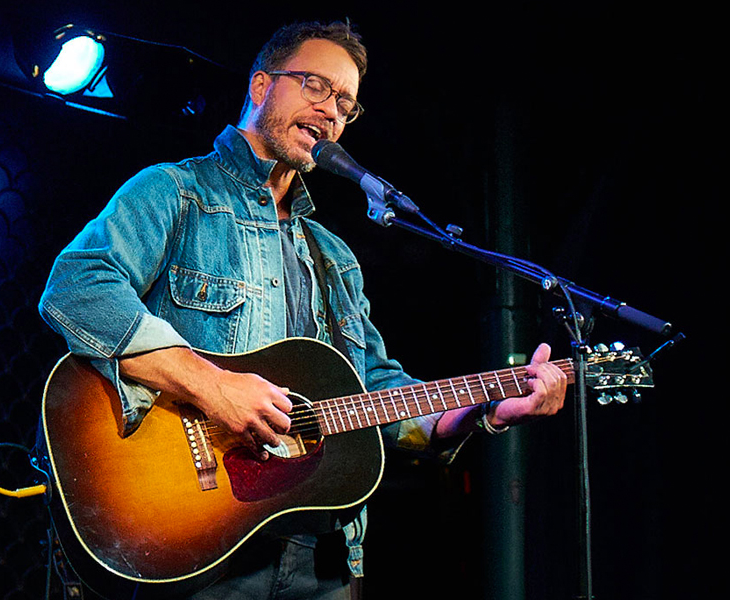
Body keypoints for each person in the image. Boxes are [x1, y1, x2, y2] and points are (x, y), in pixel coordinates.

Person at [39, 20, 567, 600]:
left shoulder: (334, 256)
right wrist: (213, 386)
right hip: (202, 543)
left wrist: (483, 409)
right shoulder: (174, 192)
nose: (332, 110)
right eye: (315, 85)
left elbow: (377, 398)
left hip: (322, 556)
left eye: (345, 101)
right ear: (261, 85)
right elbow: (77, 288)